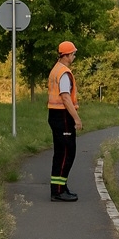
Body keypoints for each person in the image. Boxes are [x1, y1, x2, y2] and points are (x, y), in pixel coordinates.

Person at [47, 41, 82, 202]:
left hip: (55, 115)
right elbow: (66, 98)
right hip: (63, 117)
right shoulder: (64, 73)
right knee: (67, 153)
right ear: (66, 55)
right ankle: (59, 192)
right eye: (73, 54)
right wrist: (76, 118)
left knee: (60, 154)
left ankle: (59, 188)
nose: (74, 56)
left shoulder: (55, 70)